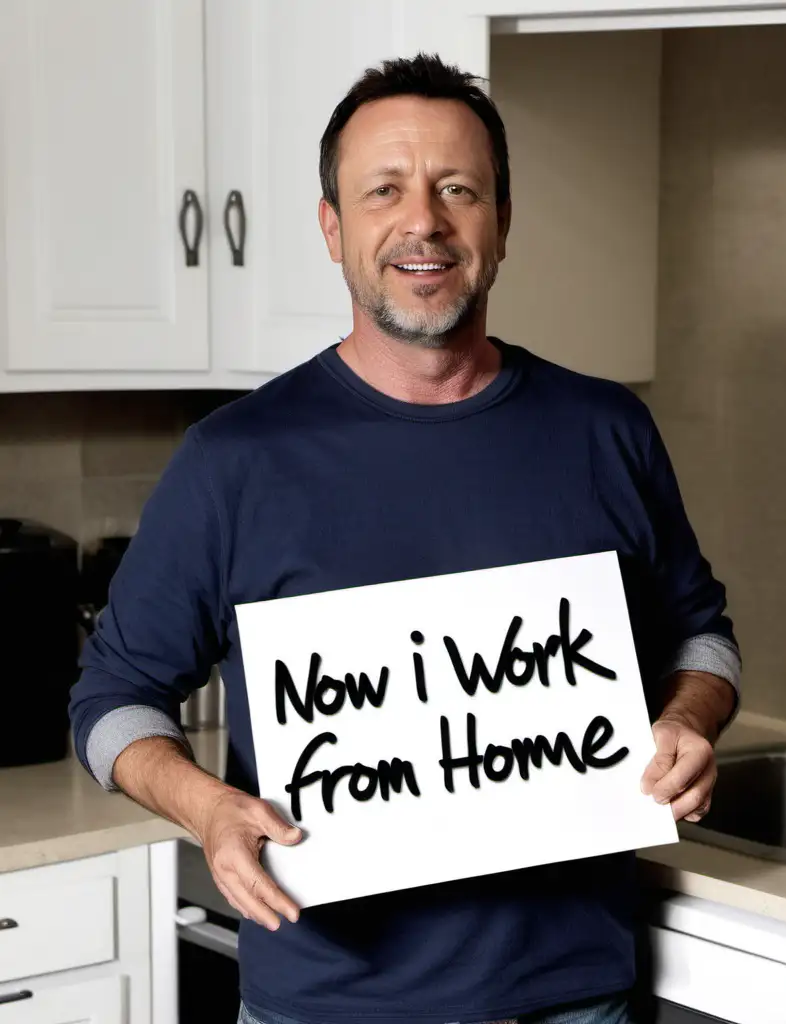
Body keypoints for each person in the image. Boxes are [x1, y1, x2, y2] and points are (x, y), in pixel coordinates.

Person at [69, 53, 740, 1024]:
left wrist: (688, 718)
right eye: (384, 190)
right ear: (333, 227)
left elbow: (700, 633)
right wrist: (206, 807)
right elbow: (110, 700)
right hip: (330, 1003)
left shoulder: (606, 430)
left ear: (501, 223)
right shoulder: (233, 459)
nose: (422, 220)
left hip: (572, 994)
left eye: (456, 189)